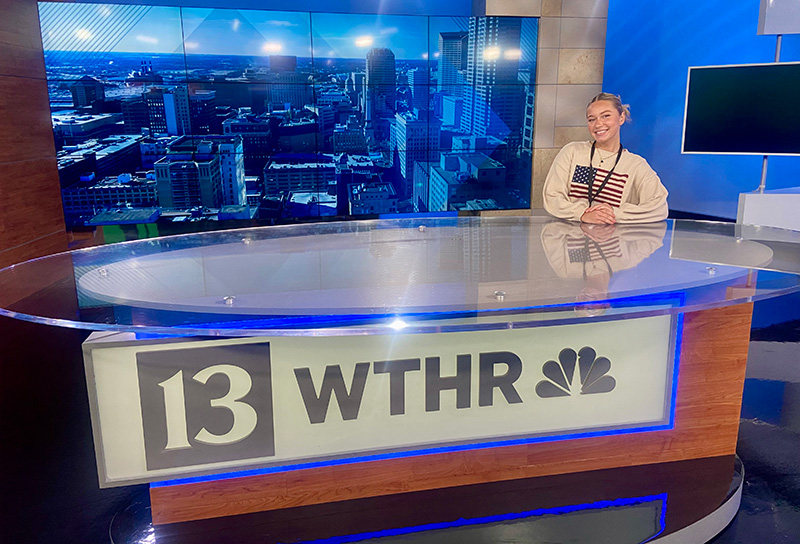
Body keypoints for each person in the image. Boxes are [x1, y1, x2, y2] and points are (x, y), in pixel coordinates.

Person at [543, 92, 668, 224]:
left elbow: (660, 207)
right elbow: (552, 197)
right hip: (568, 238)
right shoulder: (572, 152)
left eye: (606, 116)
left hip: (612, 242)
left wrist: (614, 214)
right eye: (592, 119)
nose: (598, 124)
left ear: (621, 118)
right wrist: (581, 214)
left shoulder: (636, 165)